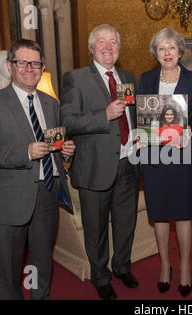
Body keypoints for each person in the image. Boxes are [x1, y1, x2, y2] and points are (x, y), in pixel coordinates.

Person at [0, 39, 75, 300]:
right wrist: (25, 152)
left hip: (47, 195)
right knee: (10, 272)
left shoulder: (51, 103)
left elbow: (53, 141)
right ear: (10, 66)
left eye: (36, 63)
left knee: (42, 263)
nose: (30, 68)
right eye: (22, 62)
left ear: (42, 67)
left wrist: (64, 151)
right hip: (10, 200)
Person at [60, 24, 140, 300]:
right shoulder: (76, 78)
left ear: (119, 48)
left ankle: (122, 267)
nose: (108, 47)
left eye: (113, 43)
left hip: (129, 162)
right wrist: (103, 114)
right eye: (102, 42)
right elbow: (67, 120)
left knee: (125, 223)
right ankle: (100, 276)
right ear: (91, 48)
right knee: (95, 228)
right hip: (94, 166)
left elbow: (135, 118)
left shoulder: (129, 77)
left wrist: (142, 133)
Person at [139, 27, 192, 298]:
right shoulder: (145, 79)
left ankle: (185, 266)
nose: (167, 53)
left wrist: (189, 135)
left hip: (183, 155)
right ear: (156, 53)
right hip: (154, 157)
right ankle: (165, 265)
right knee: (160, 213)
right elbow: (140, 116)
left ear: (180, 51)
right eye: (161, 48)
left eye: (172, 48)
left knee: (184, 212)